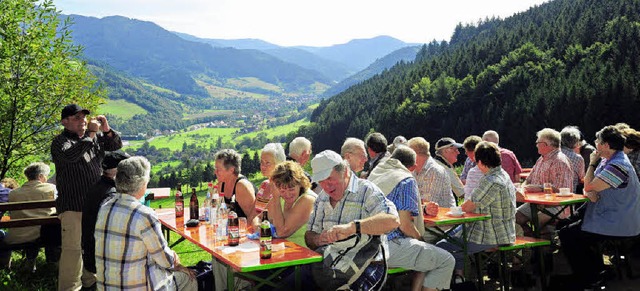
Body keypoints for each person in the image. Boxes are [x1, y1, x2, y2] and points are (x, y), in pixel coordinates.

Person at [95, 156, 196, 290]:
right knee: (189, 278)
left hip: (107, 287)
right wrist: (175, 260)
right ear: (142, 183)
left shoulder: (105, 208)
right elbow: (165, 260)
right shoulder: (143, 214)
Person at [51, 104, 122, 291]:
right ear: (64, 122)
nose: (82, 120)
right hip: (73, 205)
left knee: (93, 245)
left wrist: (106, 129)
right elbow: (72, 157)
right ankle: (69, 287)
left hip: (94, 204)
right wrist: (91, 135)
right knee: (73, 251)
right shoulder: (60, 142)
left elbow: (116, 145)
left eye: (84, 117)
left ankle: (90, 281)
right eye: (76, 118)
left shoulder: (95, 138)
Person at [559, 125, 640, 290]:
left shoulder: (618, 166)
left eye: (598, 140)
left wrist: (591, 164)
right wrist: (590, 188)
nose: (595, 142)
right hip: (608, 215)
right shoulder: (610, 160)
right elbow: (590, 189)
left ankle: (591, 277)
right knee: (565, 226)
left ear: (606, 145)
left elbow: (589, 187)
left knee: (569, 235)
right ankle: (595, 272)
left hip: (618, 222)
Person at [306, 150, 399, 290]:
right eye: (321, 182)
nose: (326, 186)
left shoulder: (366, 190)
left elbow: (392, 221)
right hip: (329, 264)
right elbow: (309, 236)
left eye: (330, 179)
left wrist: (352, 227)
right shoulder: (322, 198)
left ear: (345, 172)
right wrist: (318, 239)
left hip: (366, 263)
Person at [368, 146, 455, 291]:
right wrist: (421, 239)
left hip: (367, 245)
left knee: (427, 256)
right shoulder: (405, 179)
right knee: (446, 260)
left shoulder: (376, 173)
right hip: (388, 245)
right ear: (413, 167)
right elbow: (405, 226)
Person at [436, 142, 517, 275]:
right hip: (504, 231)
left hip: (491, 235)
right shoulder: (503, 175)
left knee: (440, 246)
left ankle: (447, 282)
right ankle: (459, 278)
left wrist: (454, 211)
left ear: (479, 162)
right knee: (450, 241)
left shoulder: (491, 180)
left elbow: (468, 206)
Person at [81, 150, 130, 279]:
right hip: (106, 258)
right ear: (117, 172)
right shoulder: (111, 195)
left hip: (92, 253)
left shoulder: (98, 187)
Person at [0, 162, 57, 270]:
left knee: (32, 228)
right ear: (40, 176)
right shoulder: (52, 189)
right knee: (48, 227)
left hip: (16, 236)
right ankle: (52, 262)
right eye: (46, 175)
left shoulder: (13, 193)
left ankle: (30, 261)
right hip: (42, 235)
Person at [516, 128, 573, 232]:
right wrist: (522, 188)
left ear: (546, 145)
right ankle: (532, 243)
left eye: (538, 142)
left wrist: (539, 188)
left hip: (556, 206)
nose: (536, 145)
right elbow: (528, 179)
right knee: (514, 218)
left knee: (538, 221)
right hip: (536, 204)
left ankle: (540, 243)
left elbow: (563, 189)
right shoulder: (541, 159)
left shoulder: (560, 161)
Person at [407, 137, 455, 208]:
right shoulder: (413, 170)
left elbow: (430, 203)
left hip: (444, 217)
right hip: (424, 215)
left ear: (414, 154)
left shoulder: (436, 171)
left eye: (407, 154)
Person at [215, 149, 256, 222]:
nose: (215, 172)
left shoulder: (242, 186)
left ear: (231, 170)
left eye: (219, 169)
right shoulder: (220, 185)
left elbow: (254, 218)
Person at [434, 137, 465, 202]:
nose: (458, 152)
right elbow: (462, 193)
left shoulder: (435, 163)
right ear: (446, 151)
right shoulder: (445, 168)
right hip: (442, 209)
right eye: (455, 149)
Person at [560, 126, 586, 193]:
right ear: (576, 141)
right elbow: (582, 177)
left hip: (551, 192)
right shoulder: (578, 158)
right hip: (569, 194)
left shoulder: (553, 153)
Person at [461, 136, 484, 200]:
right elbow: (462, 179)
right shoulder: (468, 160)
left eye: (466, 152)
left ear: (472, 151)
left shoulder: (487, 161)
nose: (466, 154)